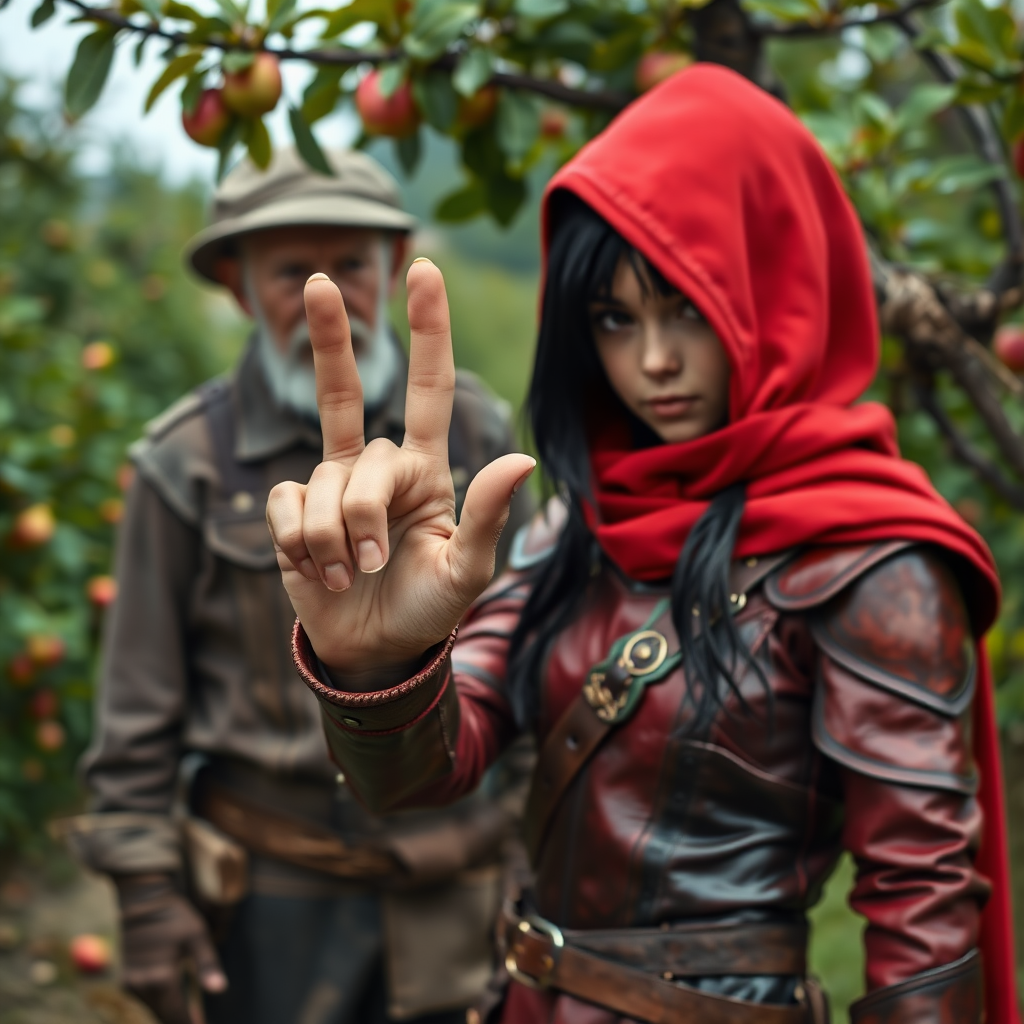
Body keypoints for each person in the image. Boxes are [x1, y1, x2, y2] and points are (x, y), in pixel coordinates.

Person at [267, 66, 1021, 1023]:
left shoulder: (874, 562)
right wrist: (377, 666)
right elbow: (424, 775)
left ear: (778, 291)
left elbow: (924, 922)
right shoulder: (581, 525)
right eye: (615, 319)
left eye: (688, 308)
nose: (652, 363)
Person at [68, 147, 534, 1024]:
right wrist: (145, 895)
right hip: (270, 899)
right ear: (241, 289)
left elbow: (532, 658)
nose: (328, 293)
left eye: (353, 263)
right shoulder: (185, 464)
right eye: (291, 271)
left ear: (394, 267)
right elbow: (137, 706)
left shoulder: (473, 430)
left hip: (451, 890)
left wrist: (537, 848)